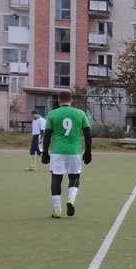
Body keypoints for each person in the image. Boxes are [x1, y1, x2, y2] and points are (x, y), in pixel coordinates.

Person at [41, 90, 92, 218]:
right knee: (74, 177)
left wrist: (45, 152)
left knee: (56, 179)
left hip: (57, 151)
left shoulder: (52, 114)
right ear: (71, 100)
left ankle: (57, 210)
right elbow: (87, 134)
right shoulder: (80, 113)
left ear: (58, 100)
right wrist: (88, 151)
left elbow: (47, 135)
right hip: (74, 152)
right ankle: (71, 200)